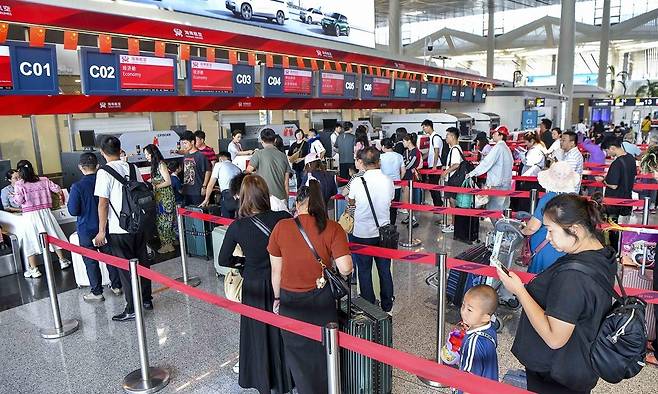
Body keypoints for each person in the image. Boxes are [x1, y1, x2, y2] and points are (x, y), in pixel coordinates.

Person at [497, 193, 616, 393]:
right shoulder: (602, 254)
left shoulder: (574, 277)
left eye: (551, 230)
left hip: (557, 374)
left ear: (575, 230)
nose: (547, 237)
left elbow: (555, 337)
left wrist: (519, 290)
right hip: (579, 364)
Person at [269, 180, 353, 394]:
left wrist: (277, 299)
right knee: (325, 352)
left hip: (290, 302)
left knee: (298, 358)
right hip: (321, 300)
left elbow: (276, 271)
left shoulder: (281, 227)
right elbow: (345, 269)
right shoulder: (332, 227)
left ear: (297, 203)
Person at [218, 174, 293, 394]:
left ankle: (262, 380)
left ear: (243, 198)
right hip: (281, 280)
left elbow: (223, 260)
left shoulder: (238, 227)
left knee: (257, 333)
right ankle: (285, 379)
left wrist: (243, 263)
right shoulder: (282, 217)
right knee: (283, 330)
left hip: (253, 284)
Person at [94, 136, 153, 322]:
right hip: (138, 224)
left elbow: (103, 203)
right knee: (142, 263)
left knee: (126, 270)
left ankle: (131, 307)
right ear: (120, 150)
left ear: (102, 153)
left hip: (120, 228)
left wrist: (101, 230)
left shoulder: (103, 172)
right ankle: (146, 300)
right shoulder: (132, 167)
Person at [67, 153, 122, 301]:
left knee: (90, 260)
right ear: (97, 166)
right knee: (110, 257)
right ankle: (116, 286)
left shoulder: (77, 186)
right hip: (105, 225)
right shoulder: (103, 181)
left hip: (86, 228)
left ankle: (97, 292)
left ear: (80, 167)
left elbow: (73, 210)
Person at [348, 146, 395, 313]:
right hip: (384, 234)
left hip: (362, 233)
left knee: (364, 270)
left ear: (363, 163)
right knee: (384, 269)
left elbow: (351, 202)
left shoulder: (356, 181)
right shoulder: (388, 180)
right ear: (379, 162)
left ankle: (369, 305)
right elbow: (390, 199)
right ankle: (387, 305)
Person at [12, 160, 71, 278]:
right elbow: (57, 188)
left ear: (19, 171)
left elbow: (18, 202)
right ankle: (62, 260)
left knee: (30, 240)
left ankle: (34, 269)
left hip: (30, 215)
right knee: (53, 235)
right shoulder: (44, 180)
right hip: (46, 213)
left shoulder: (19, 184)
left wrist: (14, 197)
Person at [521, 161, 580, 273]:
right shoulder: (574, 199)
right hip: (566, 245)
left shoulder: (549, 198)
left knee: (537, 280)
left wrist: (522, 230)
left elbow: (532, 227)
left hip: (546, 244)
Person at [458, 285, 499, 391]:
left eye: (470, 310)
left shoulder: (473, 343)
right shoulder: (490, 329)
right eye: (463, 306)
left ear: (485, 317)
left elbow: (469, 383)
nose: (463, 312)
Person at [599, 137, 637, 248]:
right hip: (627, 199)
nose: (607, 153)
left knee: (612, 229)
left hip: (614, 202)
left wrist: (604, 181)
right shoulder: (630, 158)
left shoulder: (616, 163)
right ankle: (621, 250)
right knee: (622, 228)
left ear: (612, 148)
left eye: (607, 151)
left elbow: (613, 185)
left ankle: (613, 250)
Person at [465, 126, 514, 212]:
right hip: (505, 184)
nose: (493, 134)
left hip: (497, 185)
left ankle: (500, 226)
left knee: (493, 211)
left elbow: (486, 163)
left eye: (495, 133)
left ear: (501, 135)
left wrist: (471, 174)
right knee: (503, 211)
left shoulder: (498, 147)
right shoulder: (506, 148)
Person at [246, 128, 292, 208]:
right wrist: (286, 202)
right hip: (281, 199)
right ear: (274, 140)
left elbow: (247, 173)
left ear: (261, 141)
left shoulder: (258, 154)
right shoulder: (283, 156)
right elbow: (286, 183)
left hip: (264, 198)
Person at [144, 144, 176, 254]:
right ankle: (167, 243)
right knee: (161, 221)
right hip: (159, 198)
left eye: (147, 154)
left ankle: (168, 245)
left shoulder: (161, 164)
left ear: (153, 154)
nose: (146, 157)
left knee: (164, 222)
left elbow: (168, 181)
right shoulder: (155, 165)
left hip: (165, 198)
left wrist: (155, 186)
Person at [441, 127, 464, 233]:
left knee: (452, 202)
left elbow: (456, 165)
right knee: (453, 202)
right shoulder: (457, 148)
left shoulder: (454, 149)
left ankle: (454, 225)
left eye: (447, 136)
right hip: (455, 180)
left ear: (453, 137)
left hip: (453, 180)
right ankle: (455, 224)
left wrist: (446, 172)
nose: (446, 138)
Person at [179, 130, 211, 206]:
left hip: (197, 190)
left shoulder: (200, 156)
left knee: (199, 213)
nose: (184, 146)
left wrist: (204, 186)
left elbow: (208, 171)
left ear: (192, 142)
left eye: (185, 143)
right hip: (187, 190)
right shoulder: (186, 156)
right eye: (183, 143)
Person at [379, 138, 405, 225]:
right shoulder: (399, 156)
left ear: (383, 146)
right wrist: (398, 179)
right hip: (396, 185)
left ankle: (384, 226)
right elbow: (403, 171)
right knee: (394, 208)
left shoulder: (381, 157)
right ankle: (392, 226)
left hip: (383, 186)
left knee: (384, 207)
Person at [424, 119, 445, 208]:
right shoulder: (432, 137)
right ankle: (437, 204)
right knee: (432, 186)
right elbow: (431, 152)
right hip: (432, 165)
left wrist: (435, 166)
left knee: (433, 186)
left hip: (435, 165)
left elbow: (436, 152)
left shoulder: (435, 137)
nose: (424, 129)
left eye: (424, 127)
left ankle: (438, 205)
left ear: (429, 126)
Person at [401, 133, 421, 227]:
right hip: (405, 177)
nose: (403, 143)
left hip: (411, 178)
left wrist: (403, 168)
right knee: (406, 199)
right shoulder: (406, 152)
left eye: (404, 141)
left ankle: (413, 218)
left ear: (409, 141)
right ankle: (410, 216)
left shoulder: (415, 151)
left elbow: (409, 165)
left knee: (408, 199)